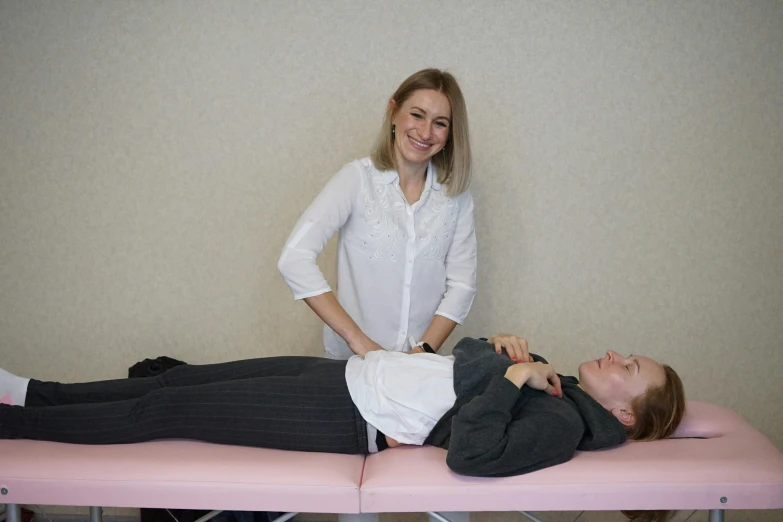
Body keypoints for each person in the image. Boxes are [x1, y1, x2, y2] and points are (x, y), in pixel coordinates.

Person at [0, 336, 685, 480]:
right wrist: (506, 355)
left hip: (344, 416)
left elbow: (475, 453)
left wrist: (509, 378)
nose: (617, 355)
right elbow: (464, 369)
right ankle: (31, 391)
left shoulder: (563, 424)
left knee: (159, 415)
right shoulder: (557, 383)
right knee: (176, 384)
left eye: (629, 370)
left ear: (626, 414)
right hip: (351, 375)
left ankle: (17, 422)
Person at [277, 68, 538, 367]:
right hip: (352, 366)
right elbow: (294, 258)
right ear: (393, 112)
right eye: (417, 115)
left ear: (451, 133)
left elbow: (462, 285)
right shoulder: (357, 180)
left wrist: (423, 353)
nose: (425, 133)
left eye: (440, 123)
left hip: (417, 370)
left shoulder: (456, 197)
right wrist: (361, 344)